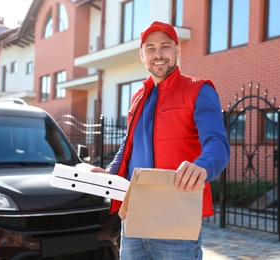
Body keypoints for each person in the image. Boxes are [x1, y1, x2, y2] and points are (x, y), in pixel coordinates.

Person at [91, 20, 230, 259]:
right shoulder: (138, 96)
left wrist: (202, 166)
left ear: (177, 50)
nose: (158, 54)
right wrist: (111, 173)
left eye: (165, 46)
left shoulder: (199, 90)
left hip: (176, 217)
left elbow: (217, 142)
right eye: (150, 48)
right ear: (142, 55)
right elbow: (128, 145)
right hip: (134, 214)